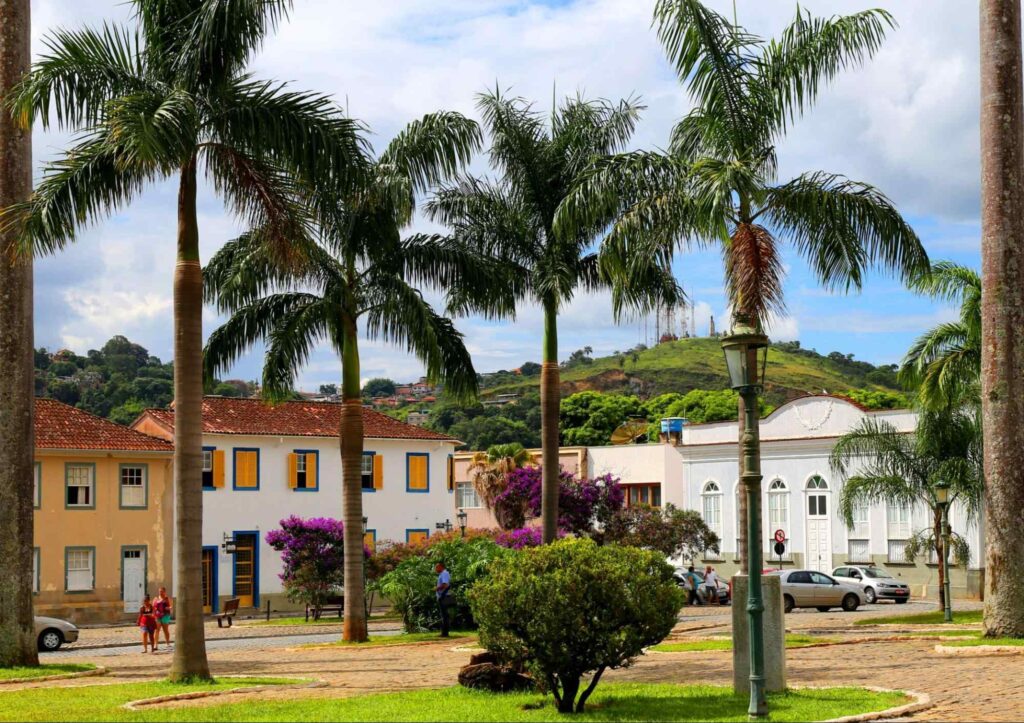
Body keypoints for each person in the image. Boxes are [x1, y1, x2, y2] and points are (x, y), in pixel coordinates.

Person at [435, 562, 452, 638]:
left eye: (437, 567)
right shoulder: (442, 574)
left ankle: (445, 633)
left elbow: (445, 585)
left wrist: (437, 588)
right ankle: (444, 632)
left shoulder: (444, 573)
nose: (436, 569)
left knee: (444, 615)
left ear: (441, 567)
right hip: (442, 596)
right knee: (444, 614)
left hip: (444, 596)